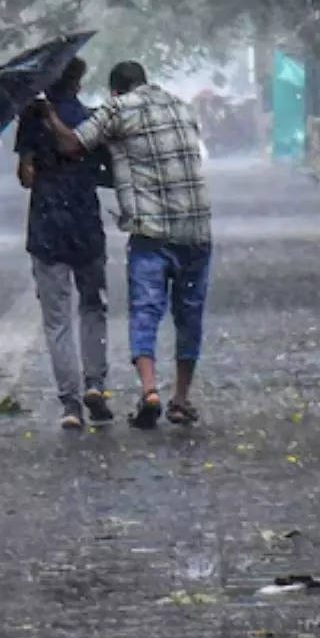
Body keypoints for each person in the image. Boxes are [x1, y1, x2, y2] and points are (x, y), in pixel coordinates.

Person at [39, 61, 212, 430]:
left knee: (145, 309)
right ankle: (180, 399)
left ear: (116, 91)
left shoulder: (117, 109)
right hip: (197, 230)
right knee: (189, 314)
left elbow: (72, 144)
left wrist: (48, 114)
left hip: (151, 232)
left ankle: (150, 391)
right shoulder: (182, 106)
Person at [14, 58, 113, 429]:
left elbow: (26, 177)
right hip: (86, 224)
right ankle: (96, 385)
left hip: (46, 227)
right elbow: (107, 171)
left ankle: (70, 404)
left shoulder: (31, 119)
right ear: (78, 82)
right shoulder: (92, 118)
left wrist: (36, 152)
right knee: (93, 308)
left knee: (57, 320)